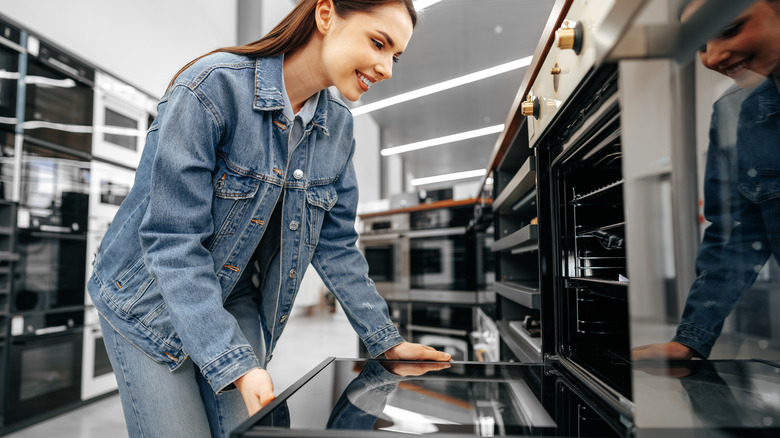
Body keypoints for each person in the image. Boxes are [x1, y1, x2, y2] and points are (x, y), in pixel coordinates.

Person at [88, 1, 451, 437]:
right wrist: (237, 364)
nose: (386, 68)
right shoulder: (211, 87)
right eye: (378, 43)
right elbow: (172, 241)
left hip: (235, 292)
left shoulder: (338, 127)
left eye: (395, 55)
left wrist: (386, 340)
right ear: (325, 14)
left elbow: (335, 246)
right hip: (146, 296)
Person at [632, 0, 780, 361]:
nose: (712, 58)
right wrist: (691, 338)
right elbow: (737, 233)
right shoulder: (733, 110)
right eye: (700, 44)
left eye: (730, 29)